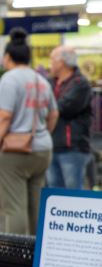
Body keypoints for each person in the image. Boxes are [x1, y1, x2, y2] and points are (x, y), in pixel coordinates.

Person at [0, 28, 58, 235]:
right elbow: (54, 114)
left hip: (15, 153)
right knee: (36, 205)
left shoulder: (9, 79)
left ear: (8, 56)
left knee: (14, 207)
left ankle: (18, 259)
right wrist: (41, 134)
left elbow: (3, 116)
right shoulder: (41, 80)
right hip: (42, 150)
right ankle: (39, 253)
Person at [47, 45, 92, 190]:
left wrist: (46, 107)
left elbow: (64, 108)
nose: (50, 63)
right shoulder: (50, 83)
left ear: (62, 62)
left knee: (73, 194)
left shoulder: (81, 84)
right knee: (54, 192)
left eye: (52, 59)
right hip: (51, 146)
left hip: (72, 148)